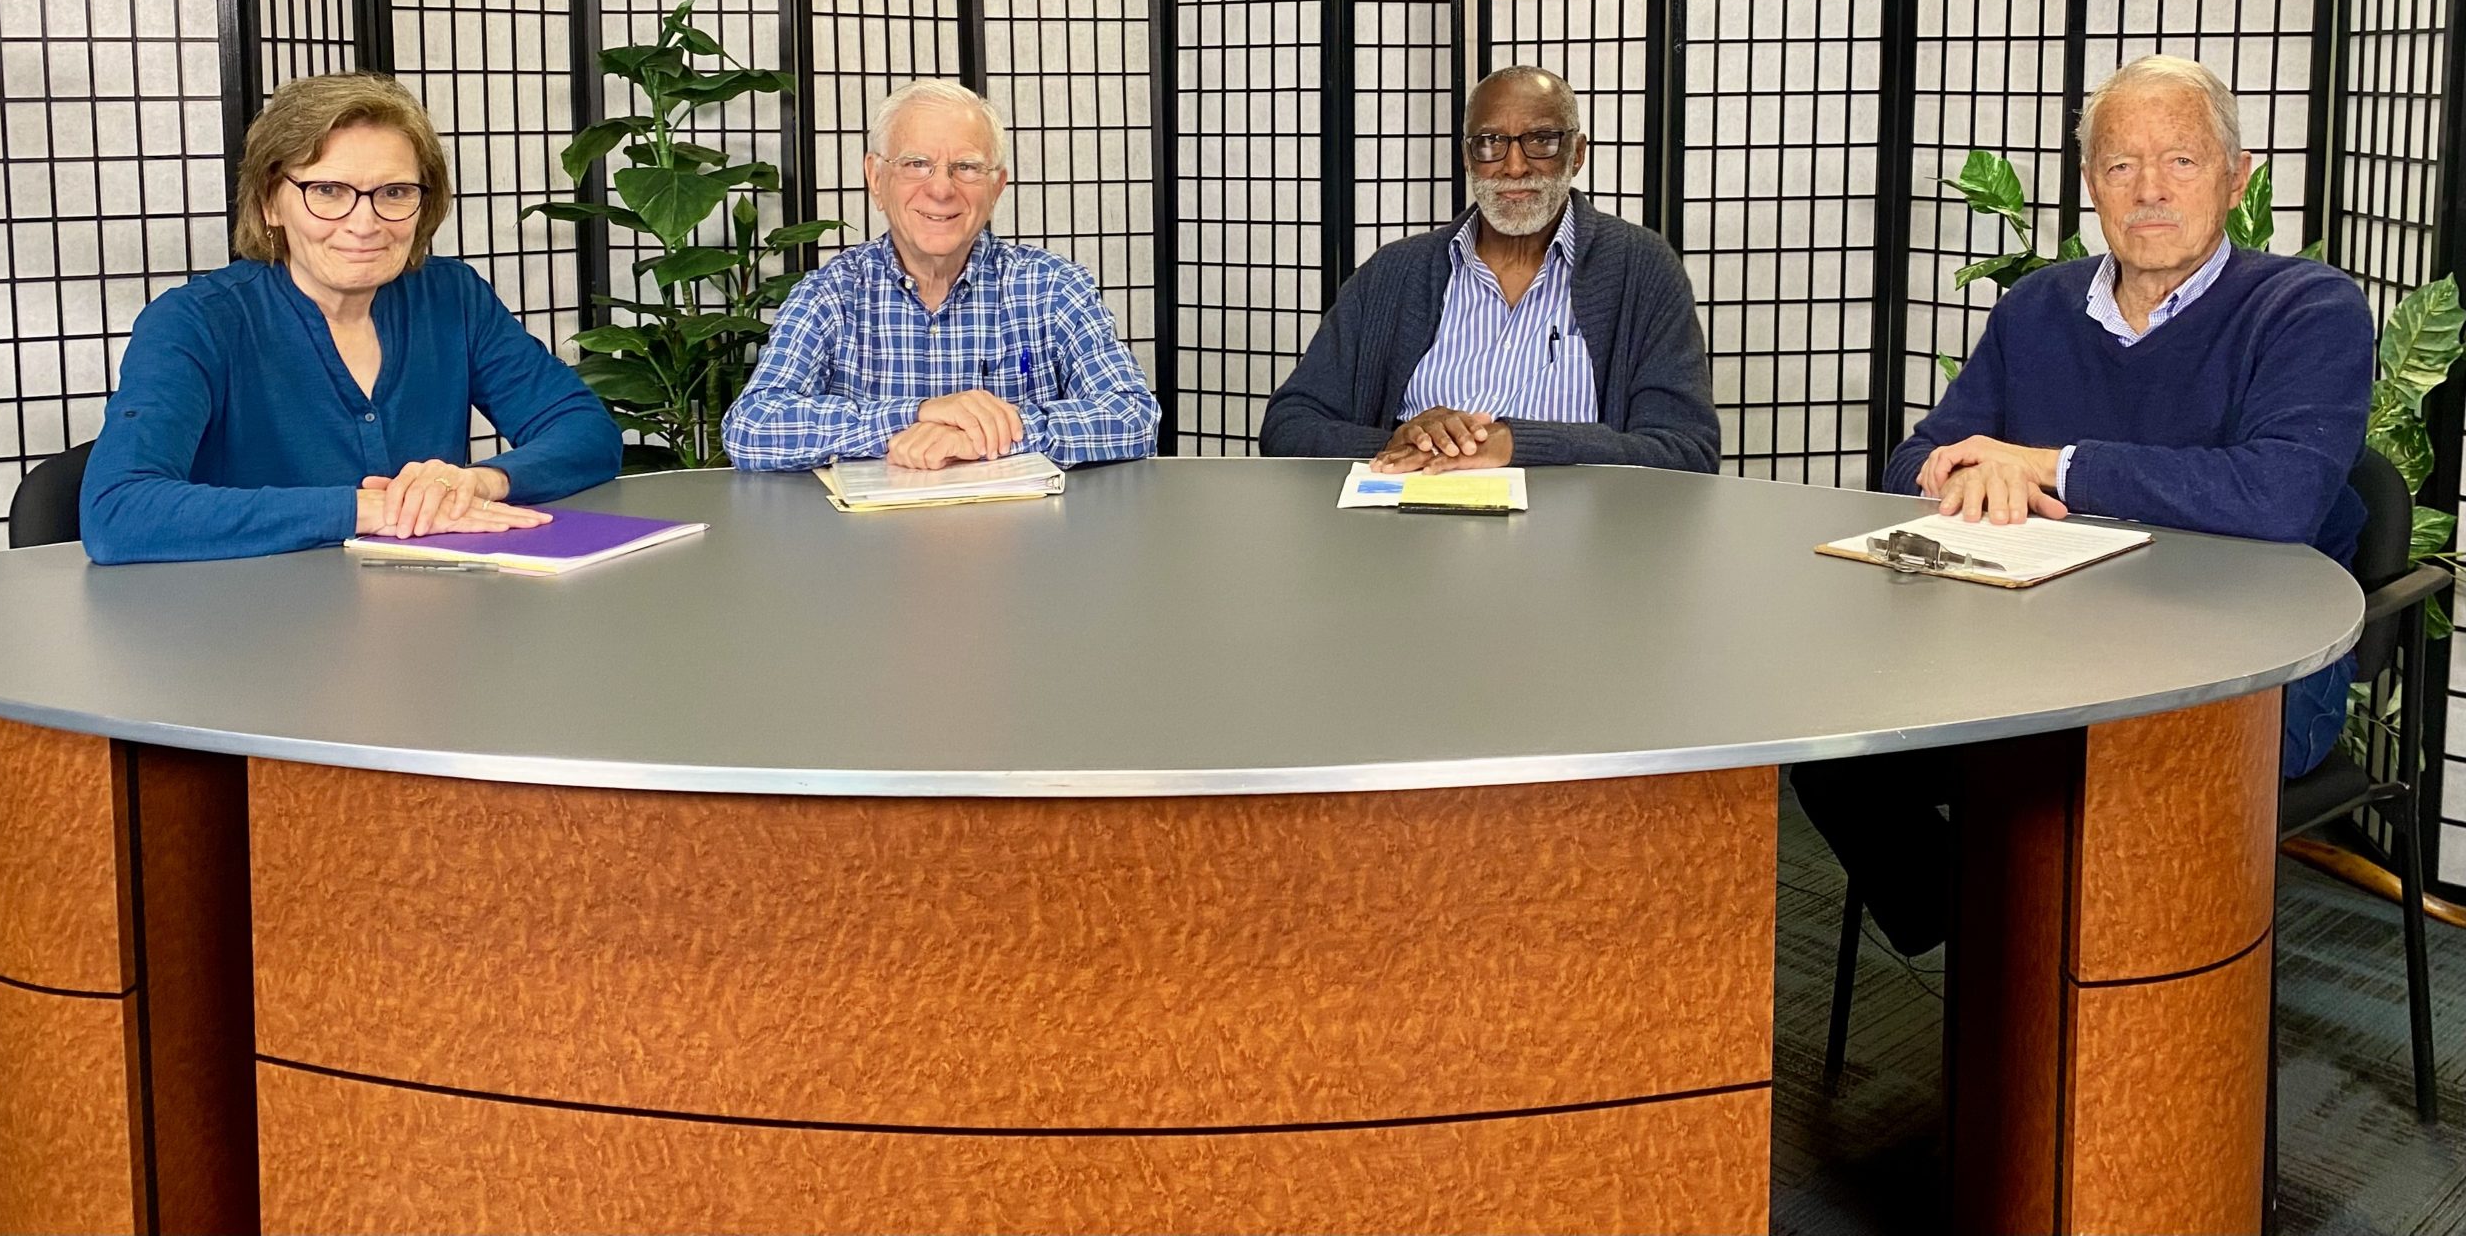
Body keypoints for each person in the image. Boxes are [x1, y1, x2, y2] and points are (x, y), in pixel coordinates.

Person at [1794, 53, 2374, 956]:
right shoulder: (2038, 307)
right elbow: (1916, 457)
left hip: (2242, 670)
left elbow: (2280, 494)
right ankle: (2003, 949)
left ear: (2236, 177)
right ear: (2090, 185)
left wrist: (2054, 465)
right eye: (2120, 165)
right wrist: (1964, 476)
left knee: (2115, 767)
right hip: (2044, 654)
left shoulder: (2305, 309)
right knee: (1839, 751)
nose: (2150, 189)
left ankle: (2103, 1008)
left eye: (2180, 161)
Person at [80, 74, 623, 564]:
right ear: (271, 202)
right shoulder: (195, 323)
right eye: (328, 191)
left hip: (431, 623)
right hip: (244, 633)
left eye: (394, 192)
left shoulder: (451, 297)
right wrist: (372, 510)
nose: (364, 223)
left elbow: (586, 432)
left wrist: (477, 483)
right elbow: (118, 511)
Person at [1261, 67, 1719, 473]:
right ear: (1467, 157)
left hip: (1577, 544)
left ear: (1576, 154)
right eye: (1491, 142)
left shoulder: (1641, 269)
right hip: (1408, 538)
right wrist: (1398, 440)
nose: (1514, 166)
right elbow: (1289, 425)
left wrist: (1519, 444)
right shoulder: (1395, 272)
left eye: (1541, 140)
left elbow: (1686, 449)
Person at [722, 81, 1158, 470]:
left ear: (997, 186)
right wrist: (917, 414)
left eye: (966, 167)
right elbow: (751, 427)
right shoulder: (829, 294)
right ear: (875, 177)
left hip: (1029, 543)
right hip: (864, 548)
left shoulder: (1053, 288)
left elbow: (1133, 418)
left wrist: (985, 434)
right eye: (916, 164)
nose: (942, 188)